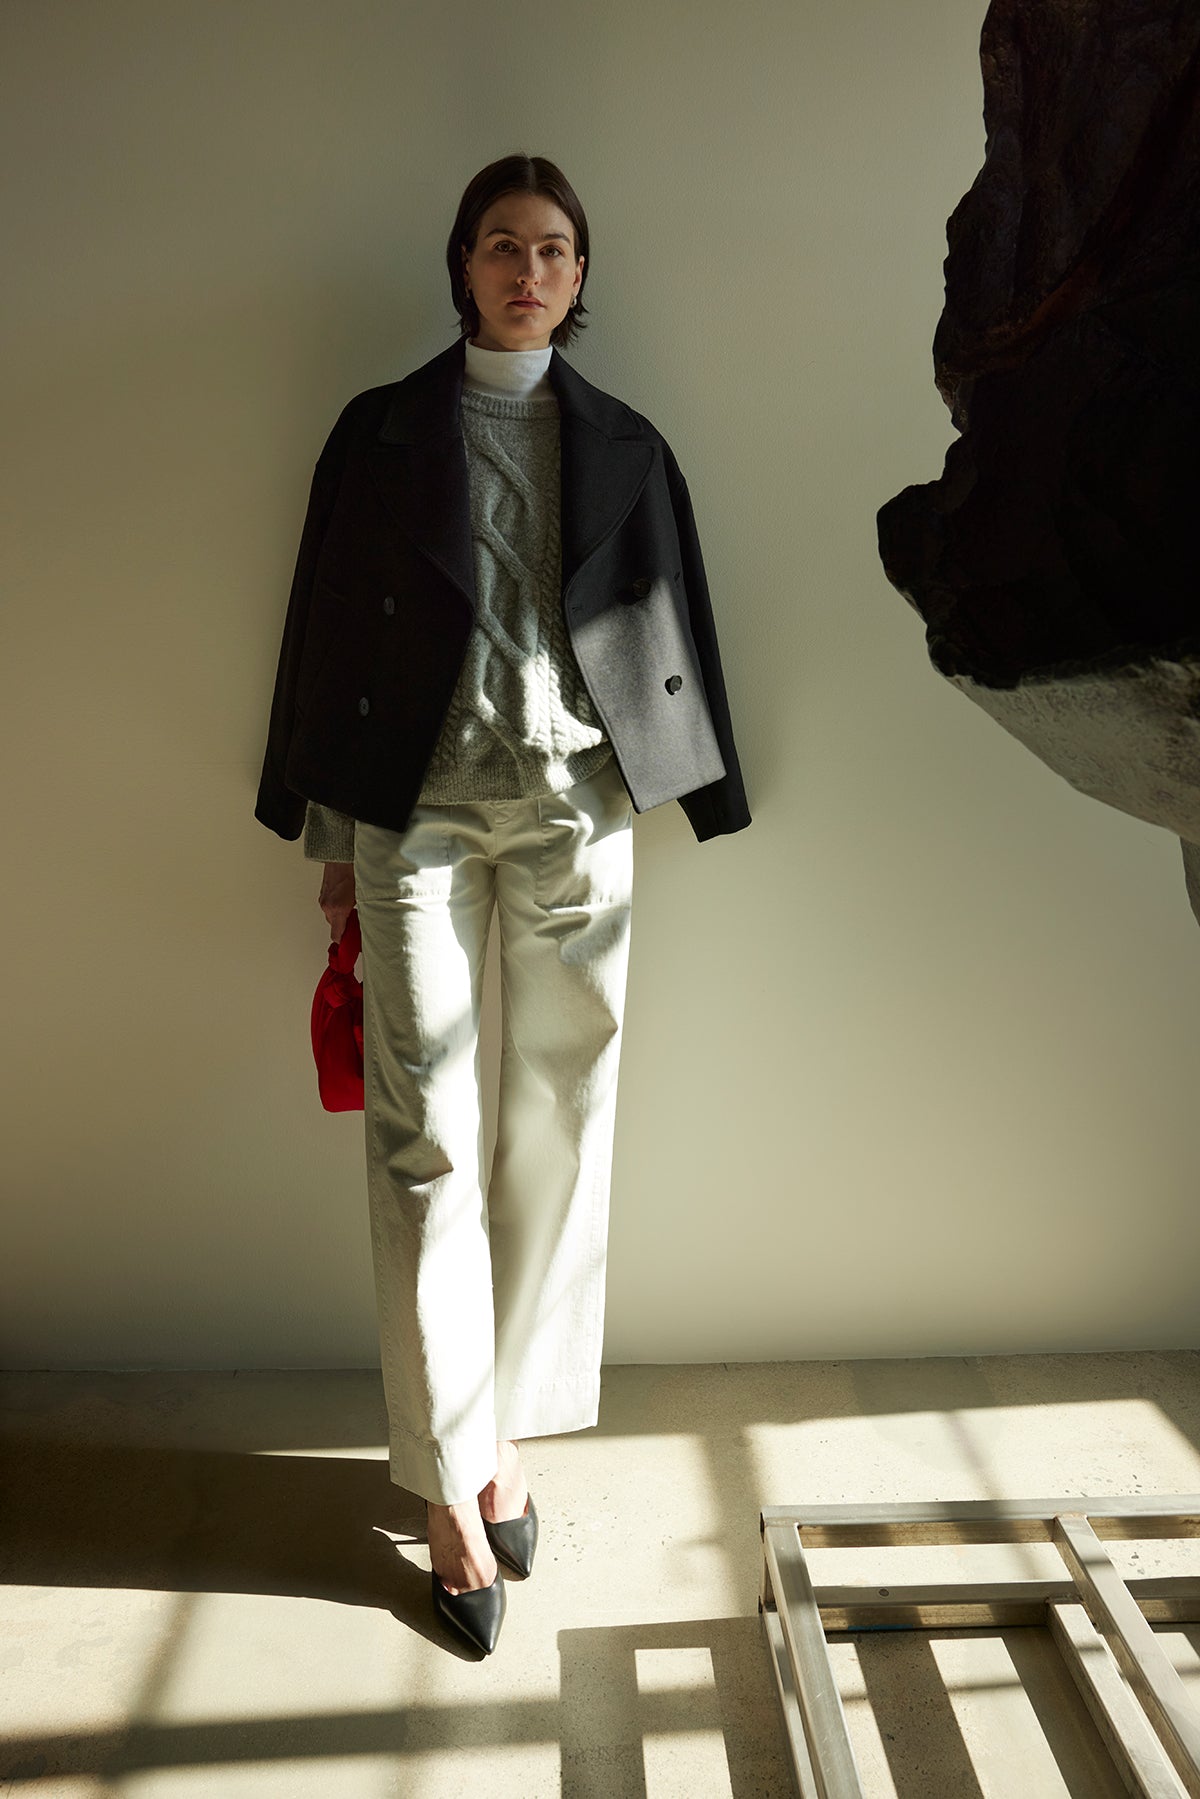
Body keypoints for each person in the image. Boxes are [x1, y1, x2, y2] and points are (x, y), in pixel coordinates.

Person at [255, 154, 751, 1653]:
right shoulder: (381, 431)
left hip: (576, 813)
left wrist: (686, 788)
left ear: (581, 278)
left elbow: (672, 617)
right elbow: (325, 617)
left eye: (552, 248)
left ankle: (500, 1433)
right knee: (426, 1143)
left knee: (562, 1121)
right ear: (460, 266)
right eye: (499, 245)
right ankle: (451, 1493)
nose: (526, 269)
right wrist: (329, 829)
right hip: (412, 813)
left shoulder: (629, 444)